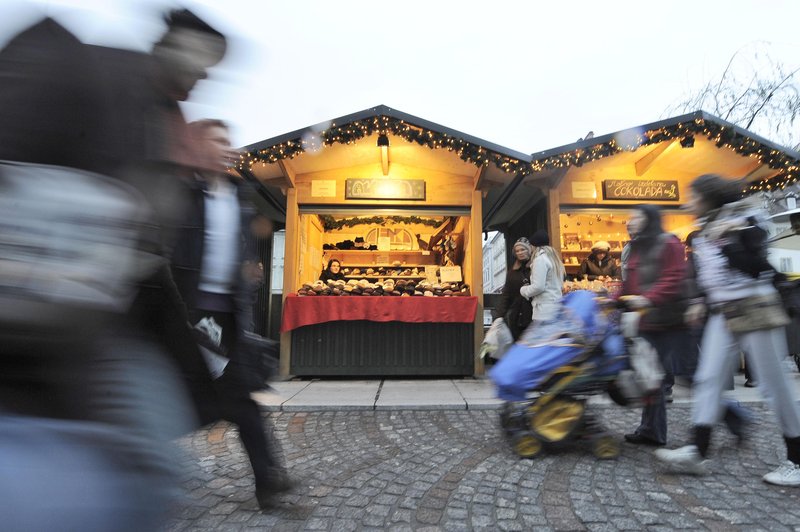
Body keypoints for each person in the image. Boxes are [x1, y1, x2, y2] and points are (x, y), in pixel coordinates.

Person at [0, 8, 228, 529]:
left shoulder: (166, 126)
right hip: (34, 318)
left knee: (152, 464)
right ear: (172, 44)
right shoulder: (83, 67)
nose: (204, 75)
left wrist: (188, 337)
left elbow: (148, 253)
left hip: (105, 325)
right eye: (201, 58)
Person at [174, 119, 293, 509]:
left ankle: (268, 481)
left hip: (227, 319)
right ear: (195, 147)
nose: (230, 147)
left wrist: (246, 276)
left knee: (241, 402)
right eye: (218, 140)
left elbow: (235, 259)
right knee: (204, 403)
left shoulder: (240, 201)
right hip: (189, 317)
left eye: (229, 140)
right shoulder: (181, 195)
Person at [655, 174, 800, 485]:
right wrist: (701, 300)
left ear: (709, 197)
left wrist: (728, 241)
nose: (689, 203)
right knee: (708, 379)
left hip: (755, 309)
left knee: (775, 387)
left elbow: (757, 267)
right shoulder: (708, 227)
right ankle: (698, 450)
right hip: (723, 313)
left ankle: (797, 459)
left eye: (694, 196)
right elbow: (712, 275)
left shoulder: (747, 219)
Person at [619, 205, 687, 447]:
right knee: (648, 377)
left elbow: (673, 277)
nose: (630, 221)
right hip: (646, 320)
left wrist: (649, 298)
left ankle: (730, 414)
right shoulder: (638, 246)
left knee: (653, 378)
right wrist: (612, 298)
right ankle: (650, 430)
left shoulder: (668, 243)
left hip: (666, 321)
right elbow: (630, 282)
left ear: (649, 219)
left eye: (636, 216)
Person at [520, 230, 565, 323]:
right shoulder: (554, 259)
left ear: (533, 246)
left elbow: (538, 287)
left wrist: (524, 290)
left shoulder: (540, 260)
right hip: (556, 308)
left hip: (544, 311)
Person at [494, 237, 533, 340]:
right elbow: (506, 294)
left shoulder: (536, 267)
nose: (520, 253)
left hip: (534, 314)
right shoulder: (512, 272)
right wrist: (499, 316)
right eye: (517, 251)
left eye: (523, 249)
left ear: (529, 250)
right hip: (517, 316)